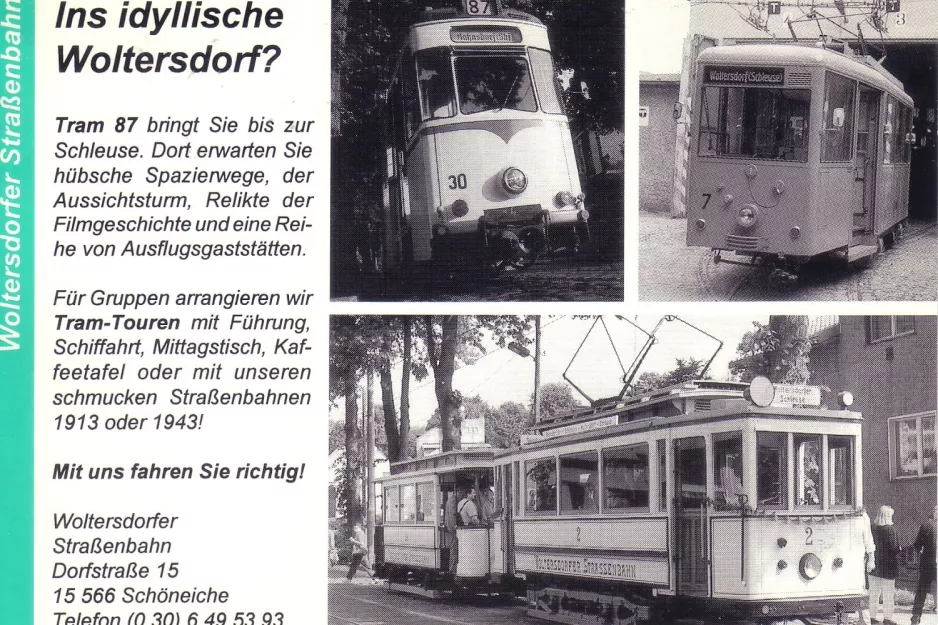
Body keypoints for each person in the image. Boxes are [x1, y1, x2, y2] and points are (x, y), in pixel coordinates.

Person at [868, 505, 901, 625]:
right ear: (888, 516)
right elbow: (895, 548)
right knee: (888, 594)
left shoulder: (872, 528)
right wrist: (900, 548)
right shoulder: (891, 530)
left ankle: (872, 617)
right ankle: (887, 618)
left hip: (874, 565)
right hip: (889, 567)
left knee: (873, 594)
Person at [911, 506, 937, 625]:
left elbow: (917, 545)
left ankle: (916, 617)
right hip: (931, 563)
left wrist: (922, 551)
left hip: (928, 563)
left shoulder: (926, 525)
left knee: (922, 590)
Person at [857, 507, 877, 625]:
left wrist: (871, 559)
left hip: (859, 559)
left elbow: (868, 539)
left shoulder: (863, 517)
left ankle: (865, 620)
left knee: (862, 589)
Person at [444, 490, 459, 574]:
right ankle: (452, 570)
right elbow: (452, 516)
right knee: (454, 550)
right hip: (453, 530)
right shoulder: (454, 500)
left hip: (451, 529)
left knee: (453, 550)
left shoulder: (451, 499)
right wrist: (454, 528)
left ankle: (452, 570)